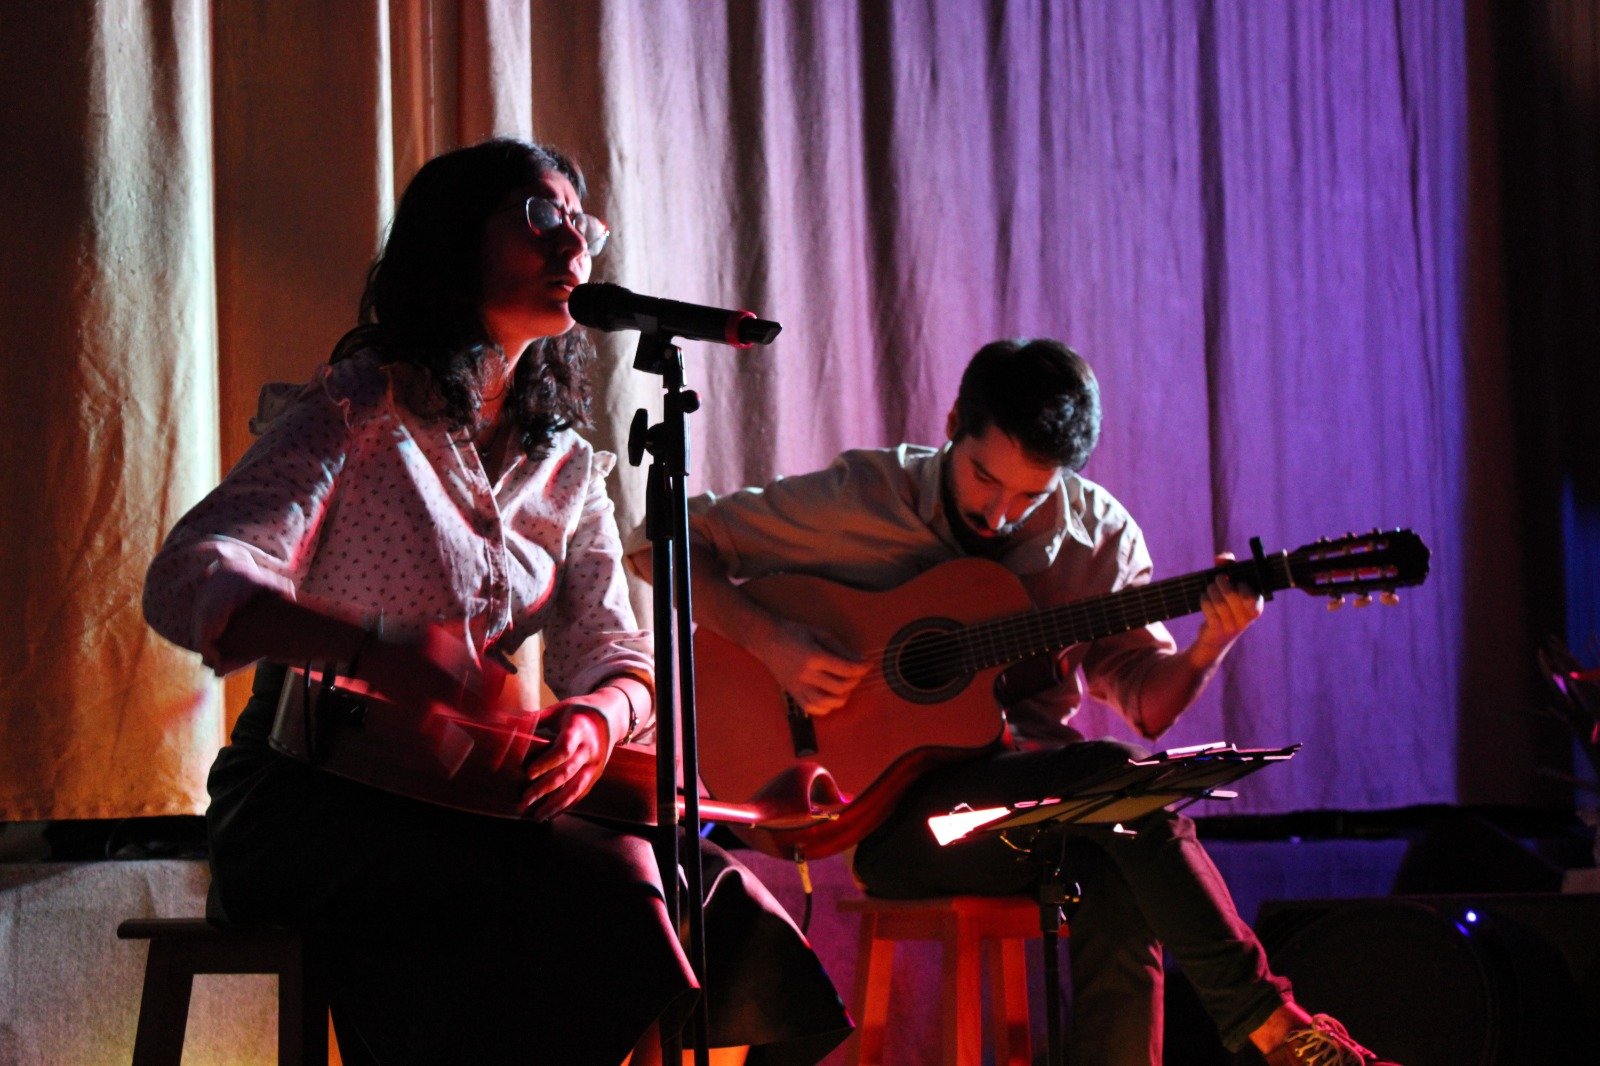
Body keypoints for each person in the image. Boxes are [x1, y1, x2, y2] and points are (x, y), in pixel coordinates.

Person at [143, 138, 849, 1066]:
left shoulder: (565, 463)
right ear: (453, 239)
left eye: (580, 227)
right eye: (539, 219)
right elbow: (188, 576)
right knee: (602, 884)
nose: (572, 249)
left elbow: (622, 656)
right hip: (309, 798)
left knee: (711, 893)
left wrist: (598, 719)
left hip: (473, 798)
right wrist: (374, 648)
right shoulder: (360, 406)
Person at [664, 339, 1399, 1066]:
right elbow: (666, 538)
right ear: (954, 421)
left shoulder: (1095, 536)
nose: (1002, 512)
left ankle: (1270, 1032)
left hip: (1030, 810)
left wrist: (1210, 645)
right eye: (986, 477)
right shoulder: (865, 498)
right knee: (1112, 780)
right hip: (890, 825)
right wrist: (773, 642)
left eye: (1032, 493)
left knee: (1119, 845)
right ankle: (1275, 1028)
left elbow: (1146, 702)